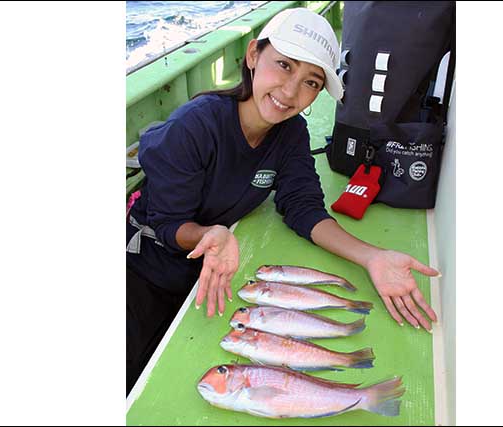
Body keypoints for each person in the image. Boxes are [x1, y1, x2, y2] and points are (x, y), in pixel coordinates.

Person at [126, 7, 440, 395]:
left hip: (212, 274)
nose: (291, 92)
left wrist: (371, 256)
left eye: (311, 81)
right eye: (284, 65)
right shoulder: (195, 127)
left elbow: (303, 207)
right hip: (144, 269)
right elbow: (167, 223)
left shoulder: (290, 133)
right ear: (254, 55)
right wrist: (212, 233)